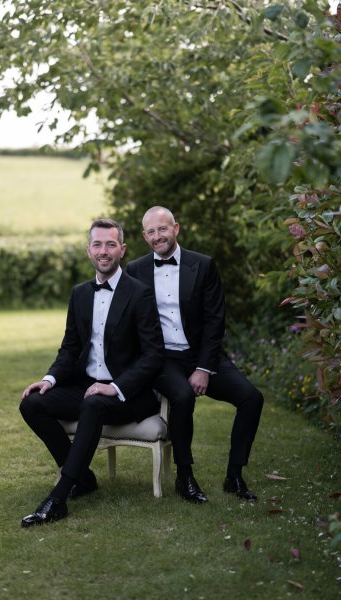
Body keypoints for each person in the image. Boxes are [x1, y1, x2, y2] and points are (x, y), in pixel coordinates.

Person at [19, 218, 164, 527]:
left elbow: (153, 355)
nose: (104, 251)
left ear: (122, 250)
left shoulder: (140, 294)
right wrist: (49, 380)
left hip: (128, 394)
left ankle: (58, 498)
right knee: (32, 403)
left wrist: (115, 387)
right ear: (88, 250)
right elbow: (70, 348)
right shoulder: (80, 294)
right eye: (97, 244)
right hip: (86, 386)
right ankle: (82, 479)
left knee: (94, 402)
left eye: (111, 244)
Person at [126, 206, 264, 503]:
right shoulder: (135, 270)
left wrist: (204, 367)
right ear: (144, 236)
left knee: (251, 398)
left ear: (176, 228)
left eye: (162, 229)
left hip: (201, 353)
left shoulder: (203, 265)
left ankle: (234, 475)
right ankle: (184, 476)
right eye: (151, 231)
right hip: (162, 359)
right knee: (183, 396)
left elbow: (216, 320)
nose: (157, 236)